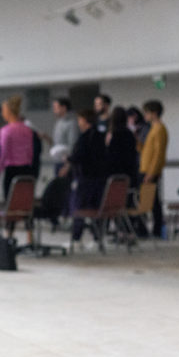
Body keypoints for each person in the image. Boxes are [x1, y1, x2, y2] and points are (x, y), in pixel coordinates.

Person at [62, 109, 108, 248]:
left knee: (78, 207)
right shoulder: (101, 136)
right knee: (95, 208)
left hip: (85, 178)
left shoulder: (84, 138)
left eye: (80, 119)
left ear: (85, 120)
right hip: (99, 178)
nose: (78, 122)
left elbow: (79, 156)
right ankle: (97, 238)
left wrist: (67, 158)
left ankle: (76, 239)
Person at [139, 99, 169, 238]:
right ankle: (151, 228)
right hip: (146, 167)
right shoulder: (153, 128)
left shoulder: (159, 129)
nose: (145, 116)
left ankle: (156, 229)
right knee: (149, 200)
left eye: (147, 113)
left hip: (150, 170)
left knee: (151, 201)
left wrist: (151, 172)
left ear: (154, 113)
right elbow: (148, 149)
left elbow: (158, 153)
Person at [0, 95, 34, 200]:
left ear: (8, 112)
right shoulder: (27, 129)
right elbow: (30, 151)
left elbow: (3, 152)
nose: (2, 113)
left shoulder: (6, 130)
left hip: (12, 170)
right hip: (26, 169)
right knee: (24, 201)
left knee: (10, 201)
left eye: (3, 110)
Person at [106, 106, 139, 187]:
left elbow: (109, 152)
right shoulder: (130, 134)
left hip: (114, 171)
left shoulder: (112, 134)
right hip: (129, 169)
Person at [50, 97, 79, 177]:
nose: (54, 110)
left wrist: (67, 166)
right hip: (58, 161)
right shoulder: (59, 122)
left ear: (63, 108)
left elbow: (73, 146)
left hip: (66, 163)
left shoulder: (72, 123)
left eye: (56, 107)